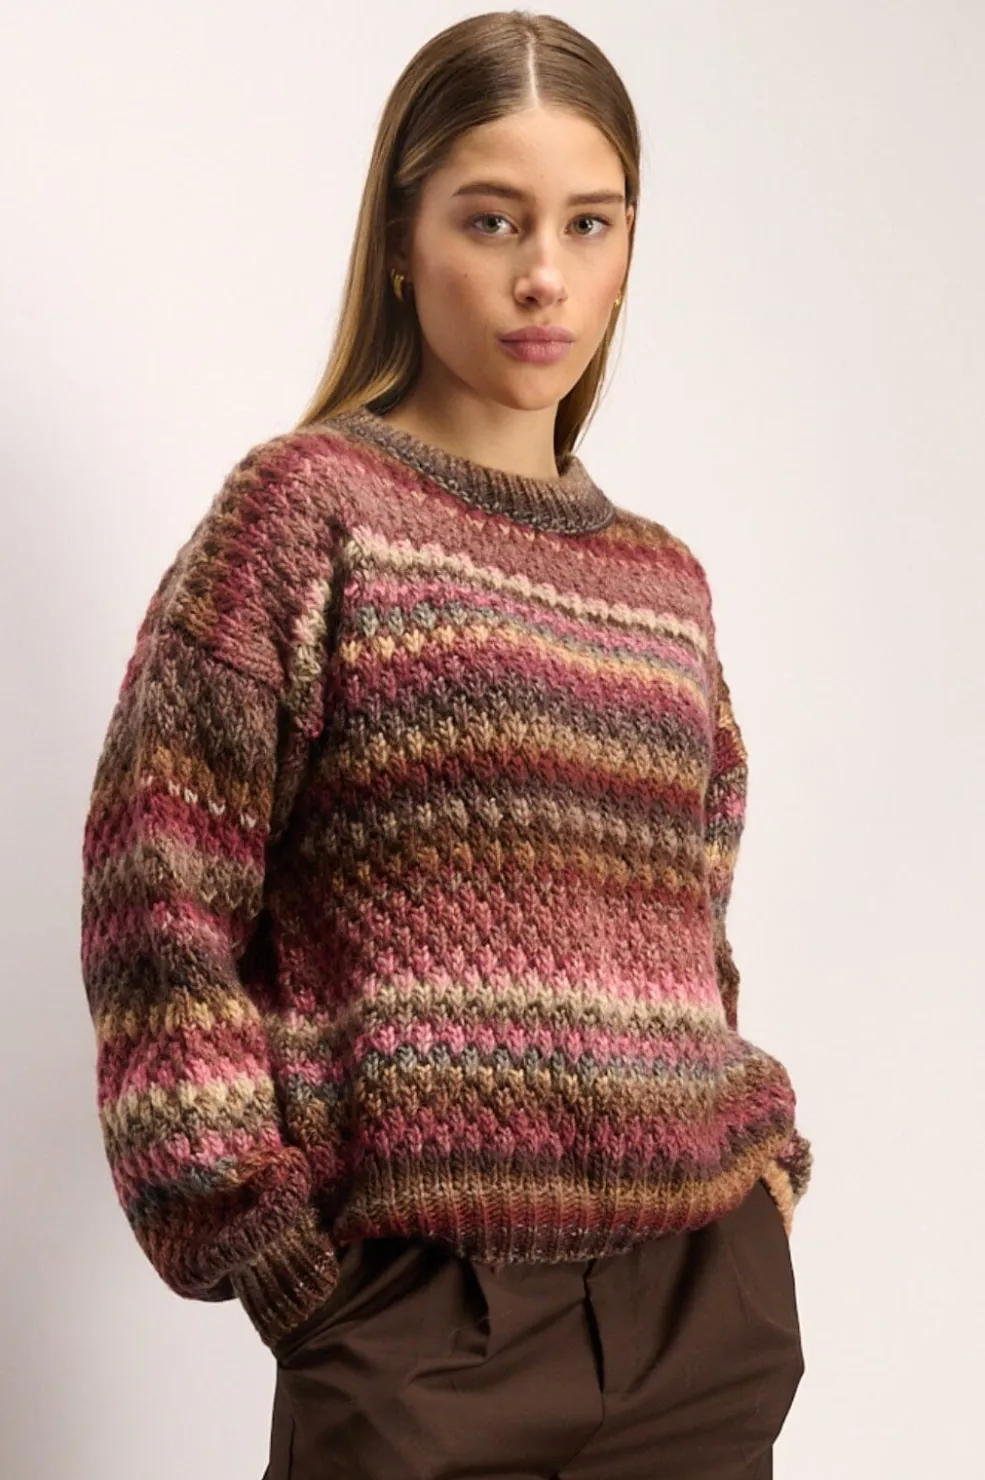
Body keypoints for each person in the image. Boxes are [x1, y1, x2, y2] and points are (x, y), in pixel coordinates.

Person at [79, 10, 813, 1478]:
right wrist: (266, 1243)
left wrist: (763, 1186)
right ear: (402, 240)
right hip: (419, 1328)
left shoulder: (664, 583)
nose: (547, 274)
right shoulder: (305, 517)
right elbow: (157, 898)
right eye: (493, 219)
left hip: (696, 1311)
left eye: (589, 222)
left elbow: (692, 926)